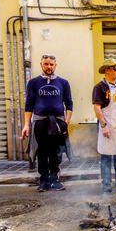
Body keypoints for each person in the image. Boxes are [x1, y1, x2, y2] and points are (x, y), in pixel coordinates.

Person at [22, 54, 73, 192]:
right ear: (41, 65)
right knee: (42, 152)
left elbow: (69, 103)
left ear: (55, 65)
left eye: (51, 64)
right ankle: (44, 180)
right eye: (46, 64)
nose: (49, 66)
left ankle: (55, 180)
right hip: (40, 123)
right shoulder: (33, 83)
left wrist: (66, 121)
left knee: (56, 152)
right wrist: (27, 125)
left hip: (57, 123)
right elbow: (29, 105)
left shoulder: (63, 83)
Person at [92, 59, 116, 193]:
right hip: (108, 127)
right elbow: (97, 108)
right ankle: (106, 184)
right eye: (115, 68)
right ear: (107, 70)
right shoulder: (100, 87)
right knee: (106, 156)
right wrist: (103, 126)